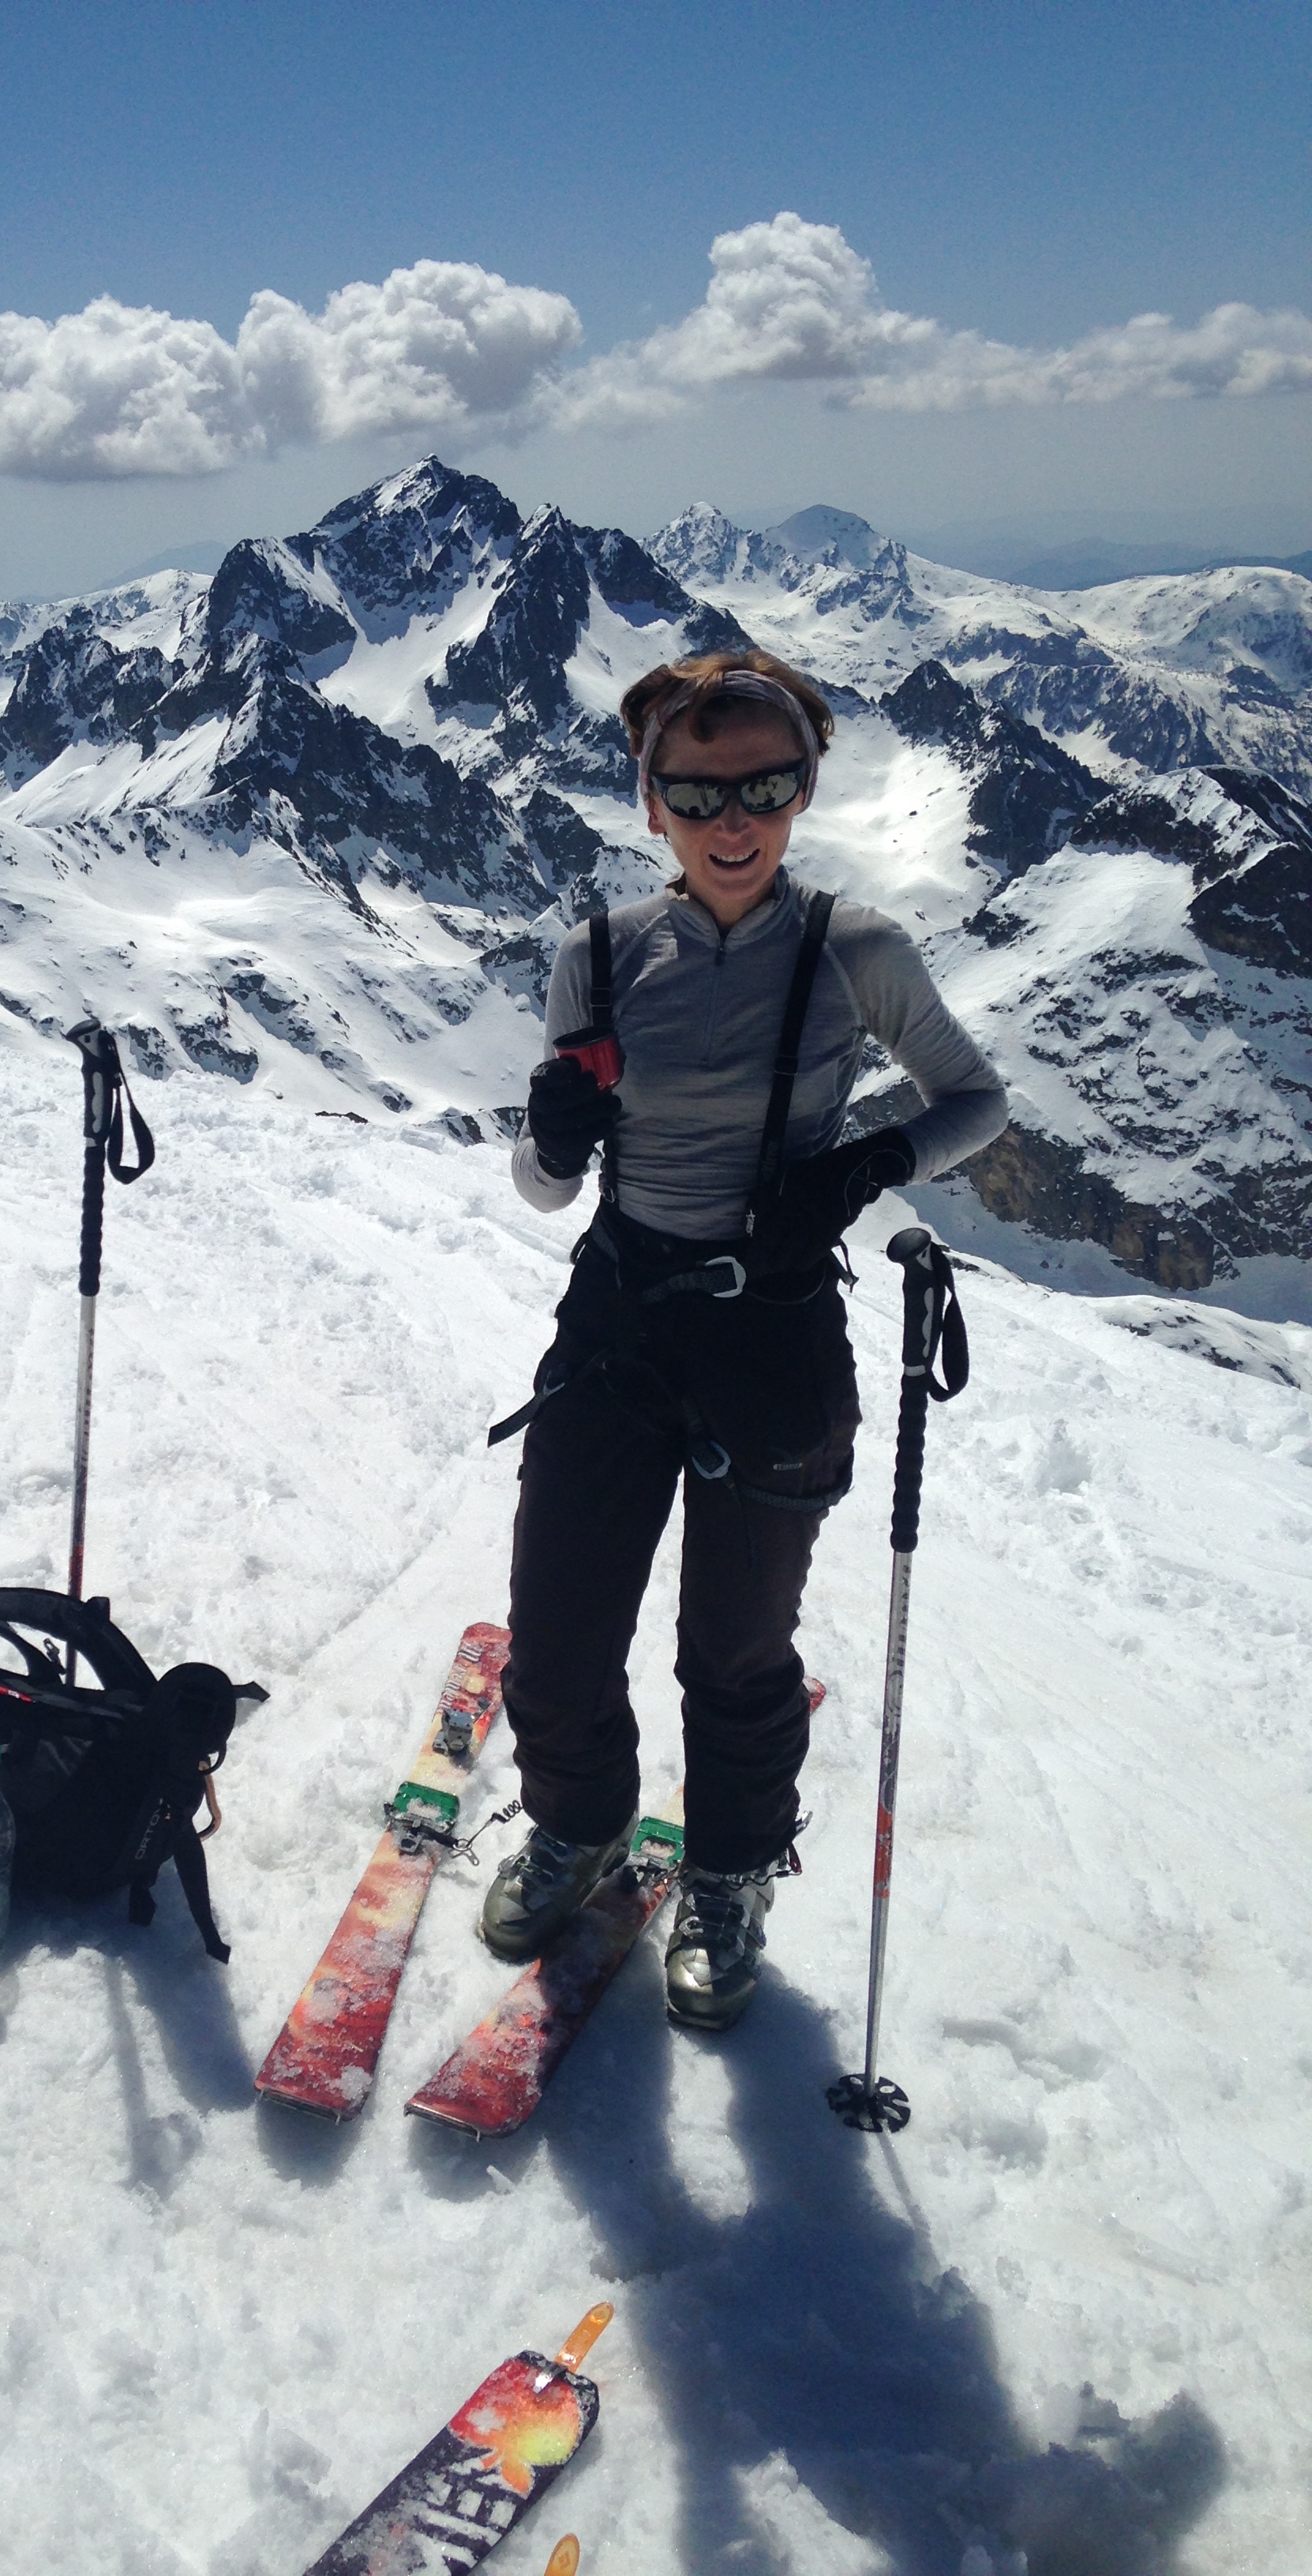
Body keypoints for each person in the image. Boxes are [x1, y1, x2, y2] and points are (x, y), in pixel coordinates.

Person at [482, 647, 1008, 2030]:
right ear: (649, 802)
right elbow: (546, 1190)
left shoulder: (857, 952)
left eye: (765, 788)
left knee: (737, 1646)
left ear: (802, 791)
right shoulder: (596, 959)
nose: (734, 821)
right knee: (557, 1627)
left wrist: (864, 1165)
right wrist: (549, 1143)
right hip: (617, 1318)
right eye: (698, 791)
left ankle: (725, 1872)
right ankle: (577, 1822)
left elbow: (974, 1098)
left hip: (772, 1337)